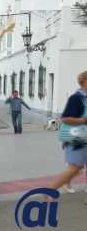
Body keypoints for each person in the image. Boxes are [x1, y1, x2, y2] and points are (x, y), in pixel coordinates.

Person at [48, 71, 87, 203]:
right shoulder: (76, 98)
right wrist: (83, 121)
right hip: (79, 138)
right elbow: (65, 118)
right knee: (75, 168)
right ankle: (49, 191)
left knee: (76, 168)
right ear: (84, 81)